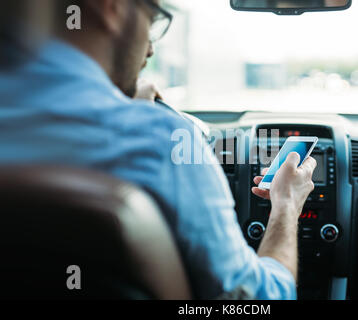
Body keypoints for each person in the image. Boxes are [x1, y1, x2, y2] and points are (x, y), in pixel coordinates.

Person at [0, 0, 316, 299]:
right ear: (111, 6)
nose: (150, 48)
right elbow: (255, 302)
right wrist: (286, 204)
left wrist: (120, 103)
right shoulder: (159, 141)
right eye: (151, 21)